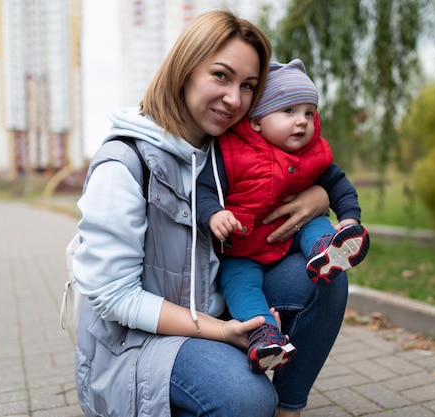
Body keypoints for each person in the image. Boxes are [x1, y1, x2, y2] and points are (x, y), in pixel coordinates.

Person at [73, 10, 348, 417]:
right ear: (185, 70)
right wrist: (220, 331)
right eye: (221, 76)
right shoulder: (125, 164)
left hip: (214, 311)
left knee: (326, 274)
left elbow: (296, 162)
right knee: (245, 399)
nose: (235, 99)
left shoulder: (221, 150)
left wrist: (320, 196)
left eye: (248, 86)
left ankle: (288, 409)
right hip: (136, 344)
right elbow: (114, 297)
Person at [196, 59, 370, 374]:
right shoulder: (232, 153)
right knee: (238, 284)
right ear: (258, 121)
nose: (302, 121)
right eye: (288, 112)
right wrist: (214, 215)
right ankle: (263, 334)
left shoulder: (313, 153)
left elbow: (340, 186)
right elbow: (204, 188)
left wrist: (349, 219)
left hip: (291, 241)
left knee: (314, 219)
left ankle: (327, 249)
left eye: (308, 113)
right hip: (243, 250)